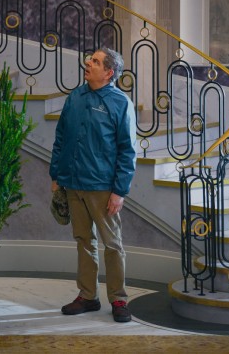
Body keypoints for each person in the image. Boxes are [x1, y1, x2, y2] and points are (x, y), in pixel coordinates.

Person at [49, 47, 136, 323]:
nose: (88, 63)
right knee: (83, 241)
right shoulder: (75, 97)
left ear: (109, 72)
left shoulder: (120, 103)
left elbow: (127, 150)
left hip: (102, 188)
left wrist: (119, 191)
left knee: (112, 244)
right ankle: (88, 296)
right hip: (73, 184)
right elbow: (61, 138)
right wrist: (56, 175)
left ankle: (118, 299)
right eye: (90, 59)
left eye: (96, 61)